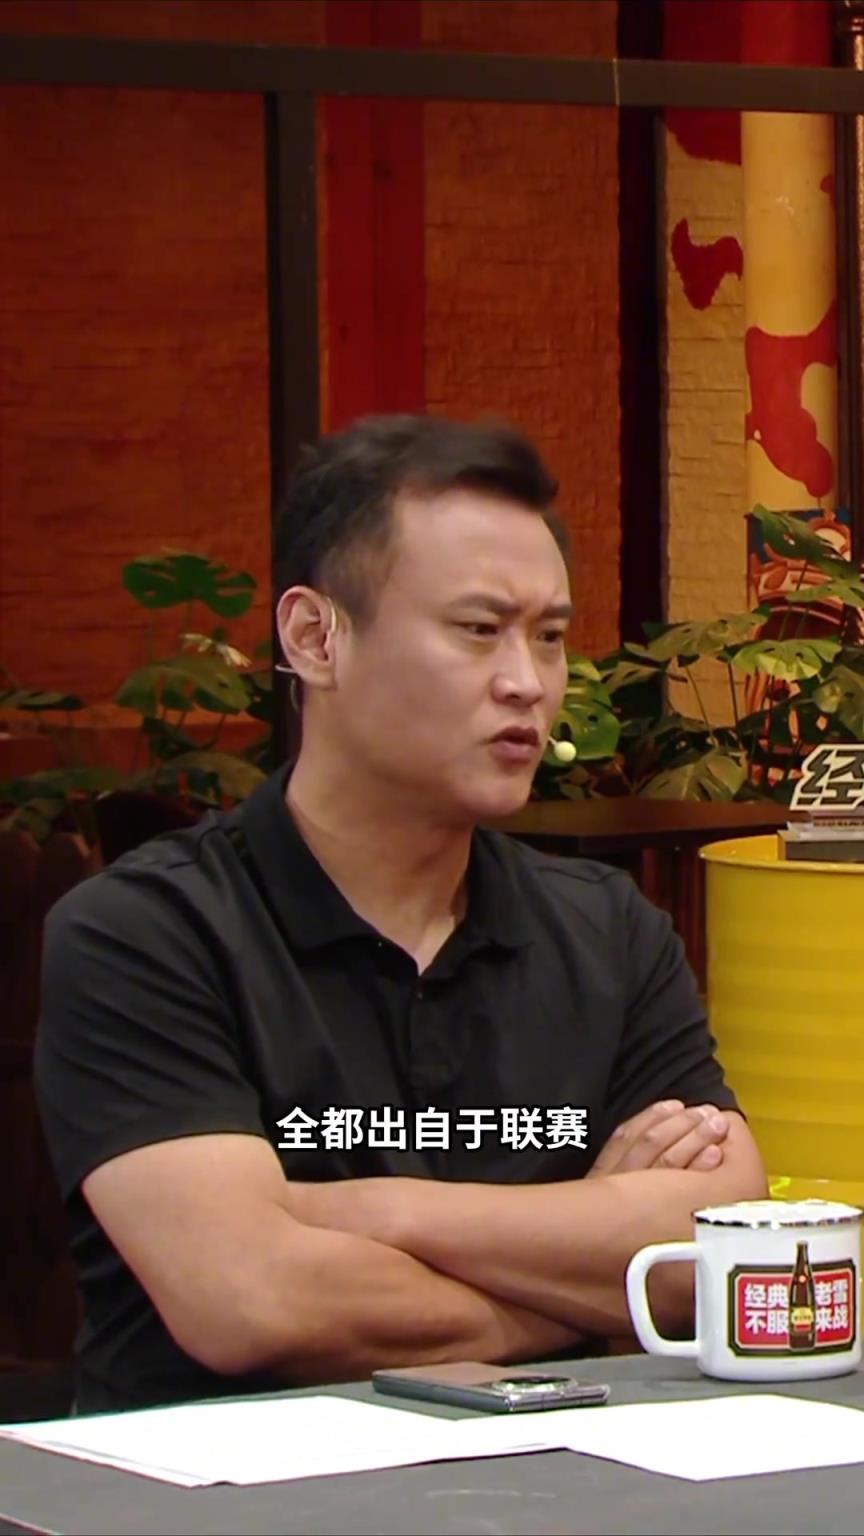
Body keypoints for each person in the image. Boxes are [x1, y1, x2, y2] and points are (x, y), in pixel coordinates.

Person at [36, 414, 766, 1415]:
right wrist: (592, 1288)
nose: (526, 682)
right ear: (315, 637)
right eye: (478, 630)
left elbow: (717, 1249)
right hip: (223, 1483)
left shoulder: (607, 927)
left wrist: (375, 1211)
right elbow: (253, 1302)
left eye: (550, 637)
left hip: (562, 1472)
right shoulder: (147, 931)